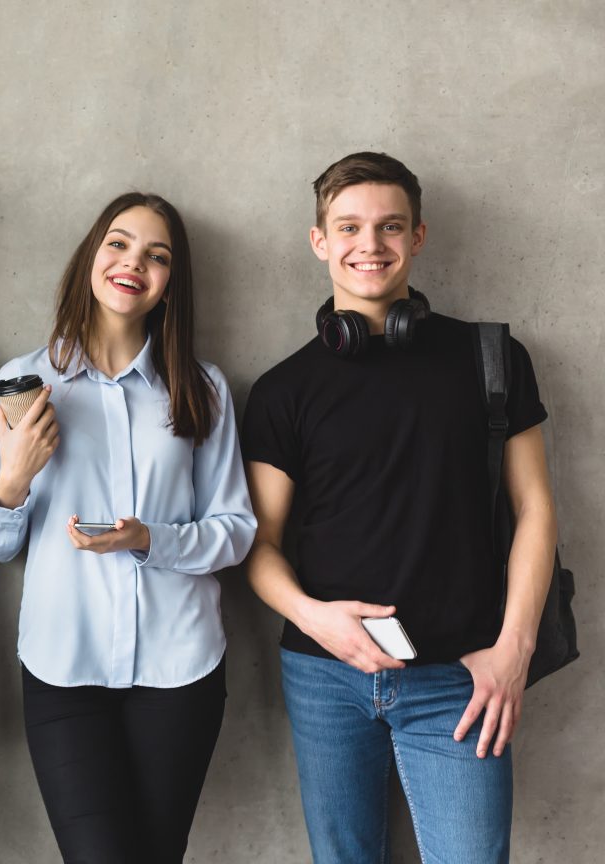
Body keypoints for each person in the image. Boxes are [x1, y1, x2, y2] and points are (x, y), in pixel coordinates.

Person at [242, 152, 557, 862]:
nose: (369, 245)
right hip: (325, 676)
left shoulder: (494, 360)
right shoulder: (282, 389)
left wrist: (515, 650)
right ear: (320, 240)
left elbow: (536, 510)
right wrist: (313, 617)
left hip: (461, 676)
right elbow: (258, 546)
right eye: (348, 227)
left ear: (417, 237)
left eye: (390, 227)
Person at [0, 192, 256, 863]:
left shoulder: (202, 389)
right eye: (120, 244)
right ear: (91, 258)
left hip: (179, 669)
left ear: (169, 285)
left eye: (157, 256)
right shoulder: (23, 381)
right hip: (63, 667)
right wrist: (13, 483)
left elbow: (236, 529)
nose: (135, 263)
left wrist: (148, 539)